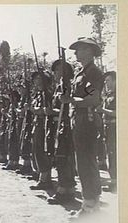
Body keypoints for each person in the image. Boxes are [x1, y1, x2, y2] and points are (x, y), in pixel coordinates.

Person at [60, 37, 104, 215]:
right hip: (78, 119)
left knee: (86, 162)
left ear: (90, 51)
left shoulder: (93, 73)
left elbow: (92, 99)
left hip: (87, 119)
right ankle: (92, 202)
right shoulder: (81, 73)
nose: (76, 52)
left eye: (80, 49)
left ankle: (89, 205)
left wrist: (71, 100)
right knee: (83, 161)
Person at [46, 59, 77, 204]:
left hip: (66, 125)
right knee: (60, 157)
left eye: (60, 70)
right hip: (57, 125)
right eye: (56, 70)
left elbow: (71, 105)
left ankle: (65, 189)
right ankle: (66, 187)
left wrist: (55, 110)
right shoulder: (58, 87)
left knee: (64, 157)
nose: (57, 73)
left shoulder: (70, 86)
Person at [29, 70, 53, 190]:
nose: (36, 80)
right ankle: (41, 175)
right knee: (37, 150)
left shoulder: (48, 93)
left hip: (45, 124)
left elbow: (48, 109)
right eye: (35, 78)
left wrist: (38, 110)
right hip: (37, 123)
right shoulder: (38, 94)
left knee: (42, 151)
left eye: (39, 78)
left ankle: (45, 179)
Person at [96, 71, 117, 193]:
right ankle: (113, 180)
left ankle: (115, 182)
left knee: (114, 154)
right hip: (107, 128)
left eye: (108, 81)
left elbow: (117, 113)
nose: (106, 83)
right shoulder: (108, 95)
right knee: (110, 154)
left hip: (114, 127)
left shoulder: (119, 95)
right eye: (105, 81)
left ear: (115, 81)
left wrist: (102, 110)